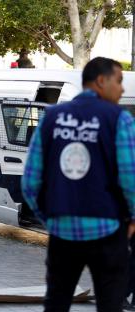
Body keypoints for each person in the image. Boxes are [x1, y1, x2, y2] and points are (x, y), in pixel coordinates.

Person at [21, 57, 135, 312]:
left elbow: (30, 182)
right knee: (110, 305)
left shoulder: (52, 117)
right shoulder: (119, 119)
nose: (122, 89)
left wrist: (50, 218)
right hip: (109, 229)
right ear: (101, 81)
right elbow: (130, 177)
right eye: (119, 81)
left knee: (57, 303)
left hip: (62, 231)